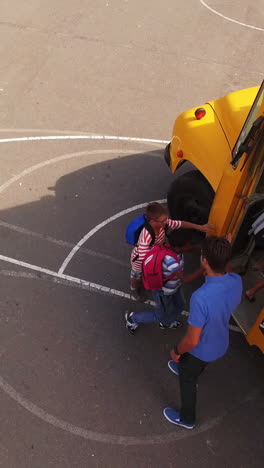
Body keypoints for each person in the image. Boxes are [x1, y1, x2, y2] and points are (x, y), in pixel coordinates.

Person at [163, 236, 242, 430]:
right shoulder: (235, 280)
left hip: (203, 349)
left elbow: (192, 341)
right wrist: (224, 250)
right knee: (195, 366)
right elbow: (227, 270)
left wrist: (176, 351)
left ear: (204, 261)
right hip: (220, 342)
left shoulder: (200, 298)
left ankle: (187, 418)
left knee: (187, 379)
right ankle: (189, 369)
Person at [130, 202, 213, 301]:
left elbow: (180, 224)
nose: (166, 222)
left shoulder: (163, 223)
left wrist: (199, 227)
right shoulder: (146, 238)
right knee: (136, 274)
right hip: (140, 260)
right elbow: (145, 260)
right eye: (163, 221)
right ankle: (134, 288)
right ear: (152, 222)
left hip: (156, 252)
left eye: (166, 219)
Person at [125, 229, 204, 333]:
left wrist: (206, 251)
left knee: (180, 305)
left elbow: (193, 248)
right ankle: (133, 318)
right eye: (188, 245)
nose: (190, 247)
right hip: (164, 293)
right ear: (178, 248)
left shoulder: (176, 249)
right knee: (160, 316)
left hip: (174, 288)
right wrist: (204, 268)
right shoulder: (170, 261)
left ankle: (167, 321)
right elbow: (186, 279)